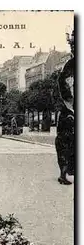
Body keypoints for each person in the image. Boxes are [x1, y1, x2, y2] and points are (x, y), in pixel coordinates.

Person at [55, 57, 74, 185]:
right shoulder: (70, 65)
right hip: (69, 112)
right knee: (65, 145)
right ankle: (63, 174)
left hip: (69, 110)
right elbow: (64, 86)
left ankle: (64, 174)